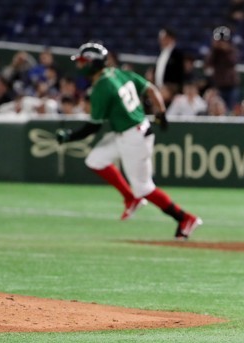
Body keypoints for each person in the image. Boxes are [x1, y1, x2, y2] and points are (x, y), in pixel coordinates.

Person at [55, 42, 202, 239]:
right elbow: (150, 89)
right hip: (129, 132)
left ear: (93, 63)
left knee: (144, 188)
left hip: (134, 137)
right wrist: (161, 113)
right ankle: (130, 199)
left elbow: (93, 127)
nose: (80, 65)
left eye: (83, 61)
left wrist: (68, 137)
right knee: (95, 160)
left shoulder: (101, 87)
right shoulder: (119, 73)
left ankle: (185, 218)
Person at [203, 26, 240, 111]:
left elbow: (233, 61)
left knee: (231, 110)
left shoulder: (232, 49)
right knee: (217, 110)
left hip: (231, 85)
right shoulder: (214, 51)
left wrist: (225, 49)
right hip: (218, 86)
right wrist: (214, 48)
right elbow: (208, 63)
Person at [154, 28, 185, 100]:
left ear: (170, 38)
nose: (160, 40)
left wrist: (170, 88)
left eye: (163, 38)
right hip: (160, 88)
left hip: (171, 91)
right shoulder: (162, 52)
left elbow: (179, 74)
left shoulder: (177, 54)